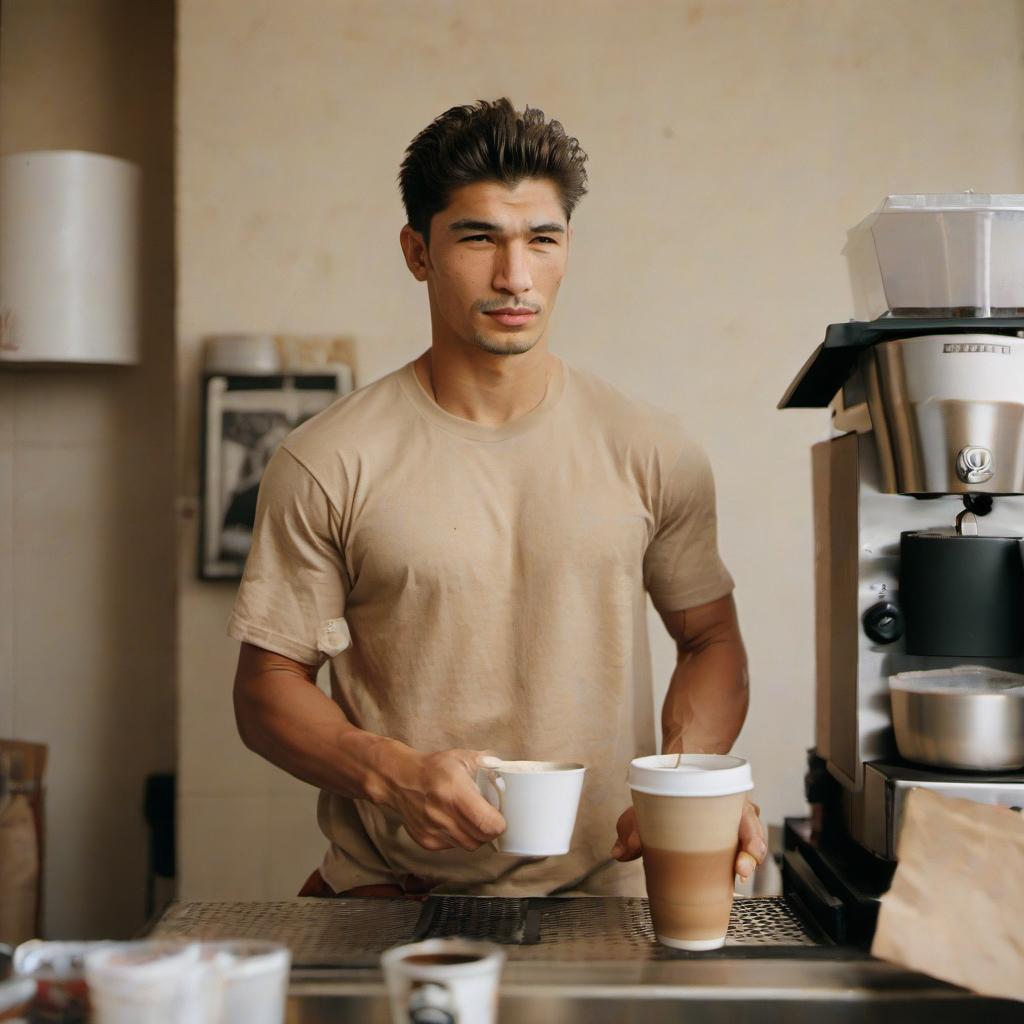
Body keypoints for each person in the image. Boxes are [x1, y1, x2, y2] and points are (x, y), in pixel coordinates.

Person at [229, 98, 766, 899]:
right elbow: (266, 688)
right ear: (418, 252)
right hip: (389, 895)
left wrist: (688, 781)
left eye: (540, 240)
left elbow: (709, 640)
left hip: (602, 897)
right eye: (478, 238)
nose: (515, 276)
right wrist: (390, 773)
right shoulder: (327, 459)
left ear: (566, 250)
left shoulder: (652, 448)